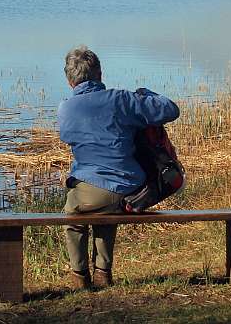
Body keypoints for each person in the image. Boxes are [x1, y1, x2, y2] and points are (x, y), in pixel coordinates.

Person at [56, 45, 180, 290]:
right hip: (133, 187)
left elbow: (67, 136)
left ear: (69, 80)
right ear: (100, 74)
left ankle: (79, 276)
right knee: (105, 210)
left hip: (95, 190)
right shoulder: (122, 100)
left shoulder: (65, 109)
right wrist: (146, 93)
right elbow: (170, 109)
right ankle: (103, 272)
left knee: (73, 215)